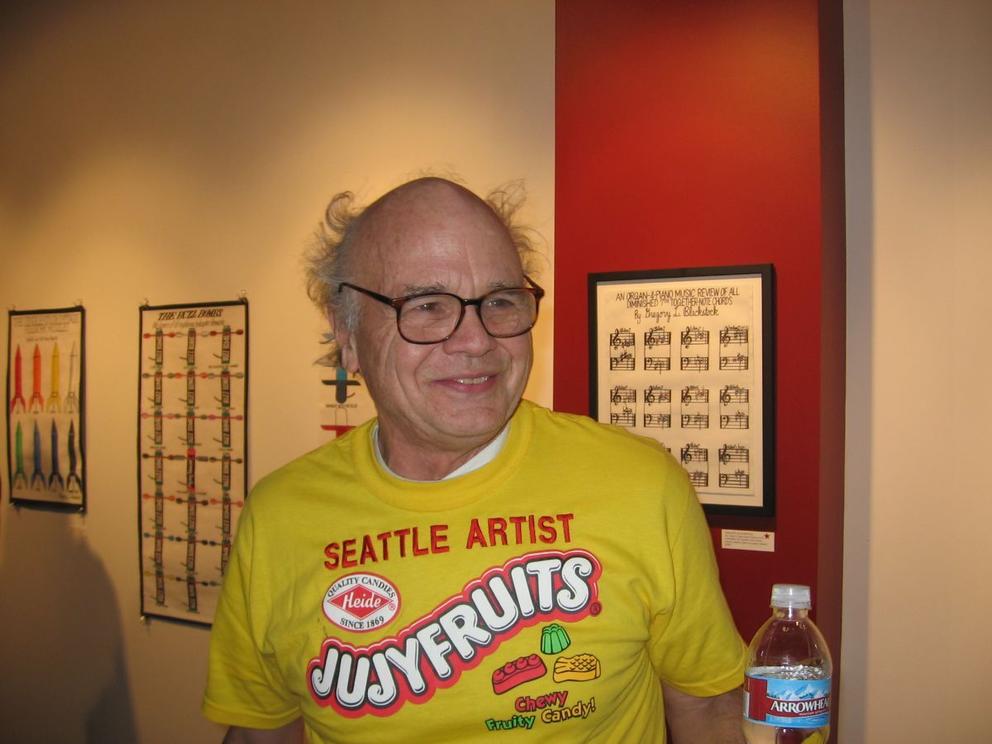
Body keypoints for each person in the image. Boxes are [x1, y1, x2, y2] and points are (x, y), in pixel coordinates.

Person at [203, 177, 747, 743]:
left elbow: (709, 710)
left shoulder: (641, 485)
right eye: (428, 306)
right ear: (347, 333)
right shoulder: (278, 517)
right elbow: (263, 731)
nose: (475, 341)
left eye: (499, 301)